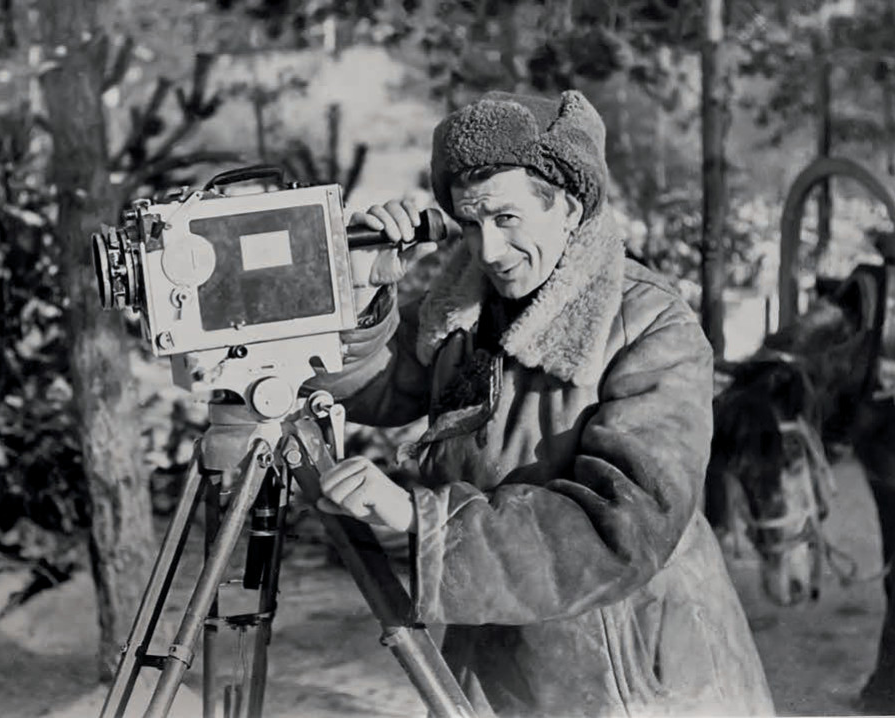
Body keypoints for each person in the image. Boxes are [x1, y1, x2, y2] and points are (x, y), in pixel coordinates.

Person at [307, 89, 775, 717]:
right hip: (501, 663)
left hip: (632, 678)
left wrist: (425, 520)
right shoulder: (462, 305)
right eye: (470, 224)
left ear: (569, 206)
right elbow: (376, 387)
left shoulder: (650, 326)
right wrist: (364, 295)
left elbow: (624, 529)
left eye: (506, 218)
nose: (487, 251)